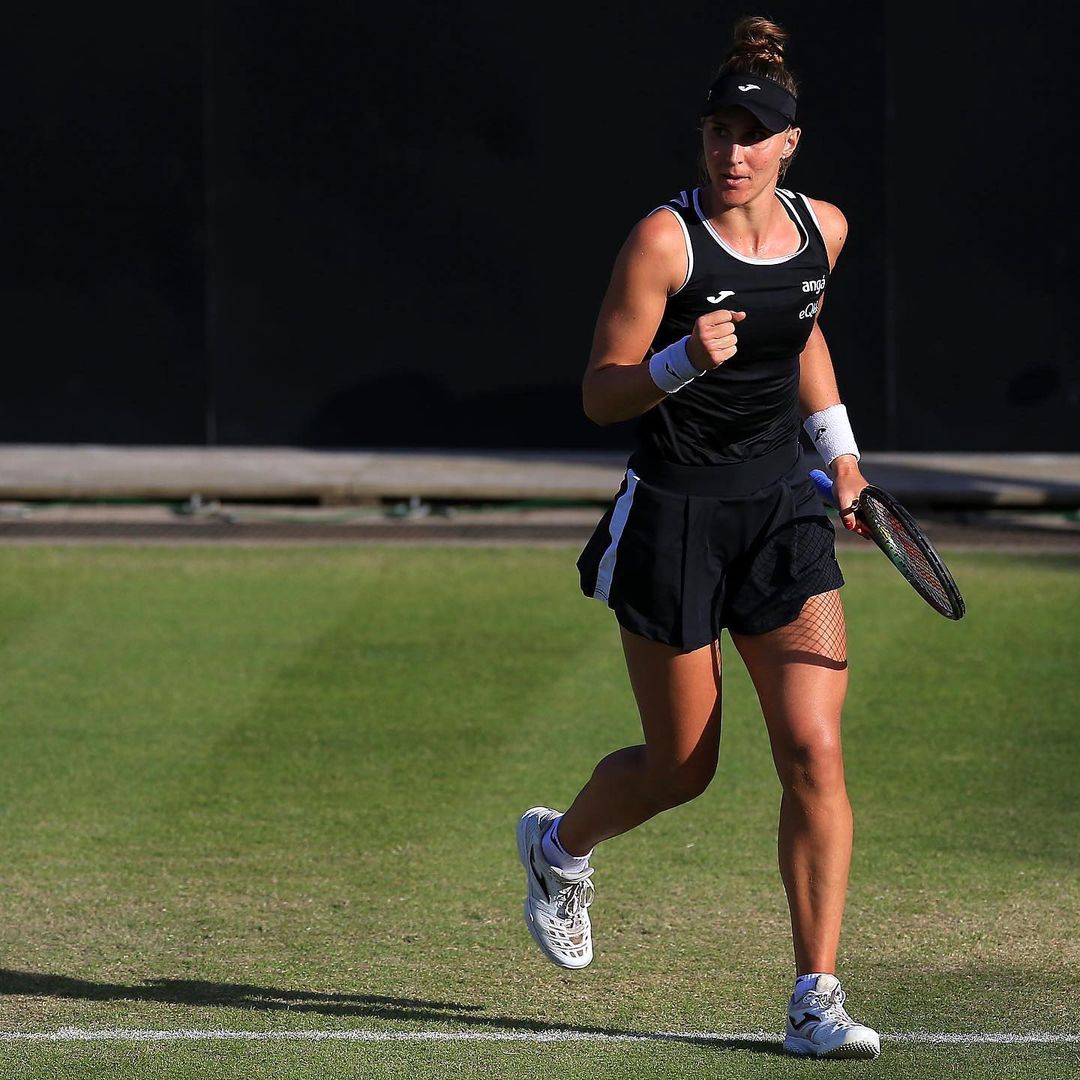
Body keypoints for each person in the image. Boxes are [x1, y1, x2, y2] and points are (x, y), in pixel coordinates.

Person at [516, 15, 882, 1061]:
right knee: (682, 768)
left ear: (789, 144)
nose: (731, 151)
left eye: (751, 134)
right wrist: (679, 362)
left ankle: (815, 995)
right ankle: (559, 846)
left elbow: (802, 330)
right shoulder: (663, 241)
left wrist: (842, 454)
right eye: (717, 131)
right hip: (674, 516)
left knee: (813, 747)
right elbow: (598, 395)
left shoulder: (826, 232)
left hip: (782, 517)